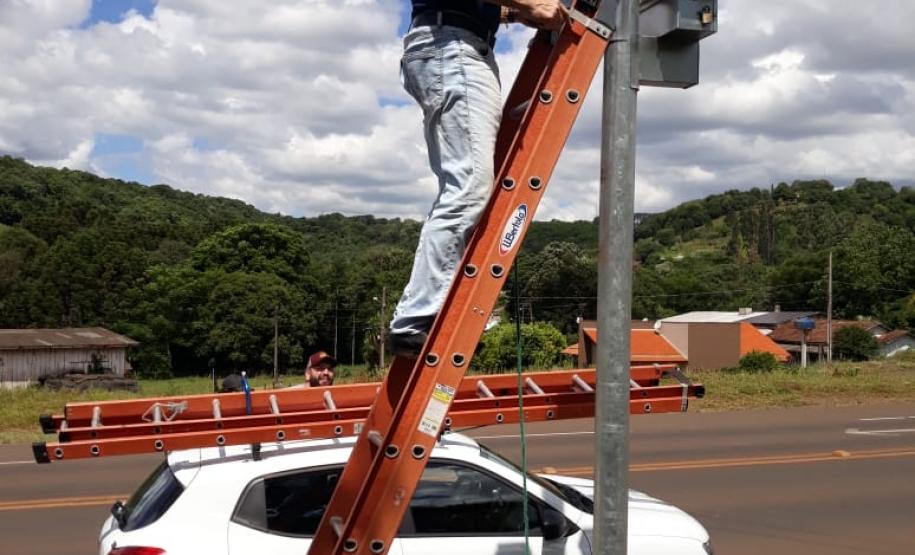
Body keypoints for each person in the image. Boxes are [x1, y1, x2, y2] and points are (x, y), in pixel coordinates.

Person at [387, 0, 566, 358]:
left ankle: (432, 309)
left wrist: (515, 14)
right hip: (453, 46)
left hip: (453, 43)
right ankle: (416, 318)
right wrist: (533, 4)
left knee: (469, 187)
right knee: (468, 188)